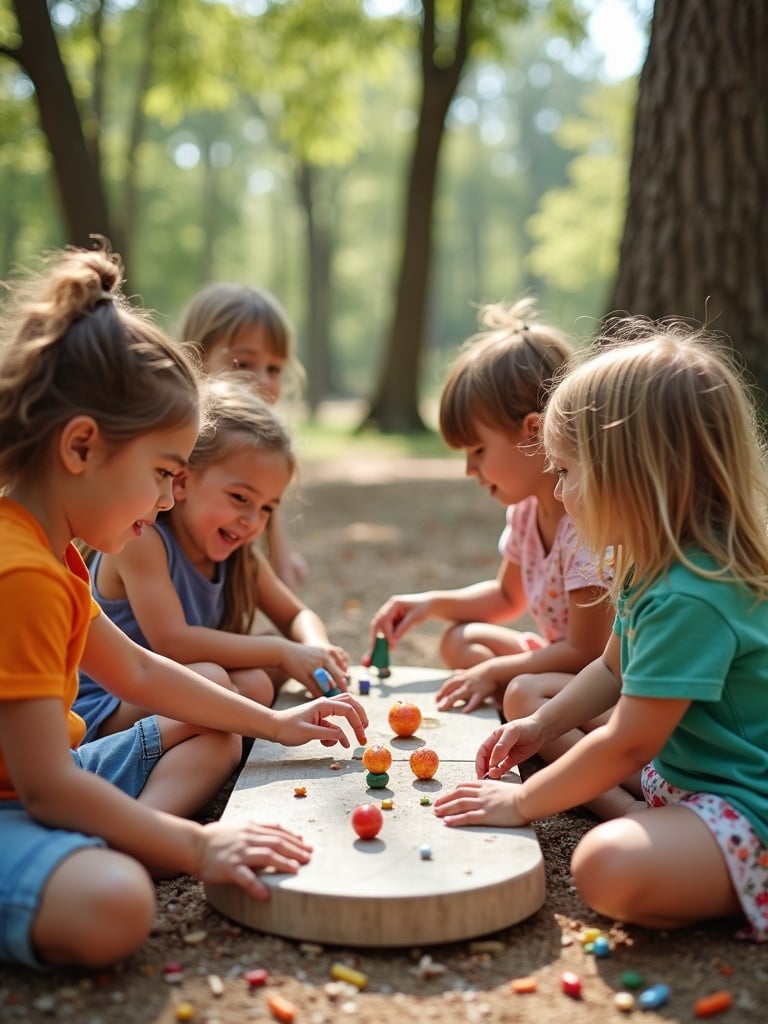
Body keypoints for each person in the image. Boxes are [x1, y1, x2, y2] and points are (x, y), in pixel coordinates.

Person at [0, 246, 368, 971]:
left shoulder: (55, 549)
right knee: (116, 903)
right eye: (164, 474)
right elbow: (46, 785)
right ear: (81, 446)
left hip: (52, 774)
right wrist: (197, 844)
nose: (170, 498)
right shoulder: (21, 573)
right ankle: (104, 849)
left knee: (212, 720)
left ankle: (112, 838)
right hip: (29, 793)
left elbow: (137, 668)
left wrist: (275, 723)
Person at [434, 321, 768, 941]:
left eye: (565, 471)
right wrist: (541, 726)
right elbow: (611, 670)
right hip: (681, 775)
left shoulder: (694, 592)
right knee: (539, 705)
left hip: (745, 807)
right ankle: (654, 825)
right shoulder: (650, 566)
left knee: (605, 867)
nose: (556, 490)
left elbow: (625, 744)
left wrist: (520, 803)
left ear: (632, 473)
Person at [369, 298, 613, 718]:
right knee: (456, 640)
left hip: (595, 679)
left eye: (478, 450)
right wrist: (429, 604)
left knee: (518, 689)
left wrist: (500, 669)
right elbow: (506, 596)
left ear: (533, 433)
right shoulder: (526, 513)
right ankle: (511, 693)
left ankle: (528, 715)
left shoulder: (584, 526)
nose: (469, 469)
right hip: (560, 659)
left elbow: (588, 652)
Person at [75, 373, 350, 742]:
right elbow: (173, 643)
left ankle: (221, 738)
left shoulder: (241, 559)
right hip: (109, 705)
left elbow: (295, 614)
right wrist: (283, 652)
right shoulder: (142, 540)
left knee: (255, 680)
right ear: (183, 481)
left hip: (174, 693)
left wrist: (315, 648)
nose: (252, 521)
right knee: (221, 676)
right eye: (240, 498)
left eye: (267, 508)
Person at [178, 282, 308, 589]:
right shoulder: (177, 437)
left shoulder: (261, 450)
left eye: (274, 369)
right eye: (244, 363)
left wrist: (284, 571)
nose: (261, 381)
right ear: (196, 355)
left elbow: (271, 528)